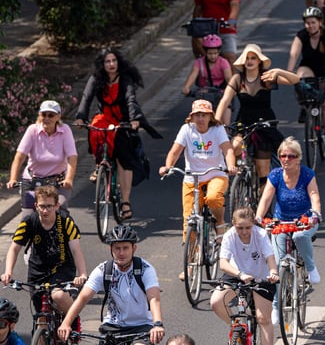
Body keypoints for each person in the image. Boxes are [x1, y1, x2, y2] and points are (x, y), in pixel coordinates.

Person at [1, 186, 87, 345]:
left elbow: (76, 250)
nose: (46, 210)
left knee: (57, 294)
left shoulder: (65, 221)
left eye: (49, 206)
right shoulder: (29, 222)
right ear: (36, 206)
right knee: (40, 318)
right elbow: (14, 249)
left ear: (57, 205)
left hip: (62, 269)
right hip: (37, 272)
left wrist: (82, 273)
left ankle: (73, 319)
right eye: (42, 206)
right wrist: (8, 272)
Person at [57, 225, 165, 345]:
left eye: (125, 248)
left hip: (142, 326)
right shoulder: (104, 270)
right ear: (111, 249)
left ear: (134, 248)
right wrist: (66, 323)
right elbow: (82, 298)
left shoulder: (145, 269)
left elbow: (154, 298)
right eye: (117, 248)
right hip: (113, 327)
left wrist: (158, 324)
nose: (121, 253)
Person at [74, 47, 163, 220]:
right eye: (107, 61)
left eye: (114, 60)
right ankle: (100, 163)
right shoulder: (96, 79)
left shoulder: (125, 79)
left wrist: (134, 119)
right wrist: (80, 118)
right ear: (102, 64)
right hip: (105, 117)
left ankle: (125, 202)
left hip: (123, 121)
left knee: (124, 159)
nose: (111, 64)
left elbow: (131, 100)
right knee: (95, 128)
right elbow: (86, 98)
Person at [159, 99, 236, 260]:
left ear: (210, 117)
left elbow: (227, 150)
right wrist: (167, 166)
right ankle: (191, 264)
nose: (200, 119)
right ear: (192, 117)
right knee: (189, 221)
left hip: (216, 174)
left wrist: (230, 166)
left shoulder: (217, 129)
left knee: (214, 198)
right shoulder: (186, 129)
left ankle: (220, 222)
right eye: (197, 115)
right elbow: (175, 152)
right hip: (192, 178)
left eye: (204, 115)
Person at [215, 44, 299, 190]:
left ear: (259, 61)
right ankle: (240, 177)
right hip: (244, 122)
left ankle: (262, 205)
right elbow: (224, 101)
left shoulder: (267, 76)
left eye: (253, 58)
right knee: (234, 147)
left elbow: (295, 79)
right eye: (247, 58)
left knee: (263, 170)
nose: (250, 61)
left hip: (264, 123)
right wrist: (215, 120)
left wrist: (279, 71)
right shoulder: (237, 79)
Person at [210, 207, 280, 345]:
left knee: (263, 318)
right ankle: (236, 329)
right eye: (240, 227)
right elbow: (223, 264)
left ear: (253, 225)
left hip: (261, 276)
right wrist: (240, 274)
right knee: (216, 302)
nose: (244, 232)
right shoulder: (229, 236)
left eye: (247, 227)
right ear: (233, 225)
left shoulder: (260, 234)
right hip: (237, 274)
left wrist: (273, 273)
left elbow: (270, 258)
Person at [255, 137, 322, 289]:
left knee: (299, 236)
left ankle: (311, 268)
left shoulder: (307, 174)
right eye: (282, 156)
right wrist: (259, 216)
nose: (286, 159)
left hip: (305, 221)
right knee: (277, 265)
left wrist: (315, 215)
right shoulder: (275, 175)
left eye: (291, 156)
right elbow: (266, 199)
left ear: (298, 158)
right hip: (281, 222)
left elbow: (314, 196)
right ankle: (276, 308)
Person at [6, 100, 77, 212]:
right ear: (39, 115)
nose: (47, 118)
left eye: (51, 115)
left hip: (57, 182)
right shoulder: (32, 130)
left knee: (59, 211)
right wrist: (13, 178)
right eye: (44, 115)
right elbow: (19, 156)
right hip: (32, 181)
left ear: (58, 116)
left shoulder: (65, 130)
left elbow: (72, 157)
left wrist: (68, 179)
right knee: (27, 219)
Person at [288, 6, 325, 156]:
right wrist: (289, 72)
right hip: (309, 68)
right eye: (307, 23)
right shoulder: (302, 35)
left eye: (313, 22)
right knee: (300, 76)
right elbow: (294, 54)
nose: (310, 26)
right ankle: (305, 107)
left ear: (319, 22)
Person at [181, 34, 233, 119]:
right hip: (204, 94)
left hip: (221, 94)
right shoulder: (199, 62)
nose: (213, 56)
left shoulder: (223, 62)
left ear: (219, 52)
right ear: (205, 52)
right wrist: (186, 87)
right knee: (200, 119)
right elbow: (193, 74)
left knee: (225, 123)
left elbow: (228, 78)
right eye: (210, 53)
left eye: (215, 53)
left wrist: (231, 89)